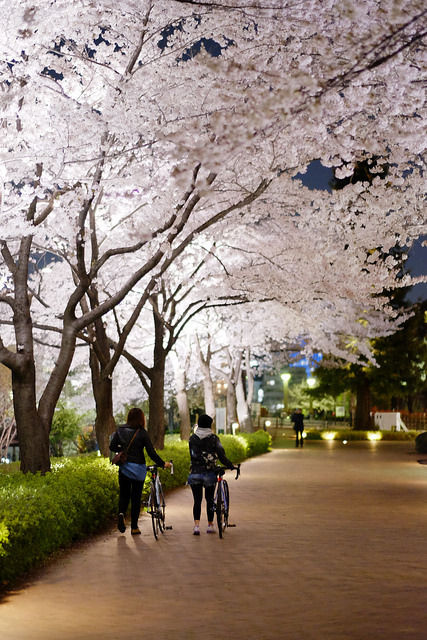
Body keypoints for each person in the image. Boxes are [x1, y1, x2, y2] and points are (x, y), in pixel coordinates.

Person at [110, 407, 172, 535]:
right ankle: (134, 527)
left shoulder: (120, 430)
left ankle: (121, 514)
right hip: (138, 469)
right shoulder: (142, 433)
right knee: (136, 497)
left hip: (124, 468)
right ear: (141, 418)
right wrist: (162, 464)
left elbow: (112, 446)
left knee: (124, 495)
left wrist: (122, 449)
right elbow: (151, 452)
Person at [187, 414, 235, 535]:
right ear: (209, 425)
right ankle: (210, 525)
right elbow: (222, 456)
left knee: (197, 501)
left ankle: (196, 526)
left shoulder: (192, 439)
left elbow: (192, 455)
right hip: (209, 473)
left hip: (195, 473)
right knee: (209, 500)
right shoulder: (214, 438)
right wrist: (230, 465)